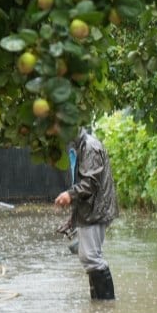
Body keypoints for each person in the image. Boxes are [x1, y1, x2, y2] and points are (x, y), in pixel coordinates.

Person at [55, 127, 118, 299]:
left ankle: (106, 306)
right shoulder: (80, 146)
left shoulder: (89, 147)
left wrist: (69, 194)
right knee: (89, 257)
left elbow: (90, 183)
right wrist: (72, 219)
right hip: (90, 210)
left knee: (91, 257)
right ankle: (100, 307)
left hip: (96, 210)